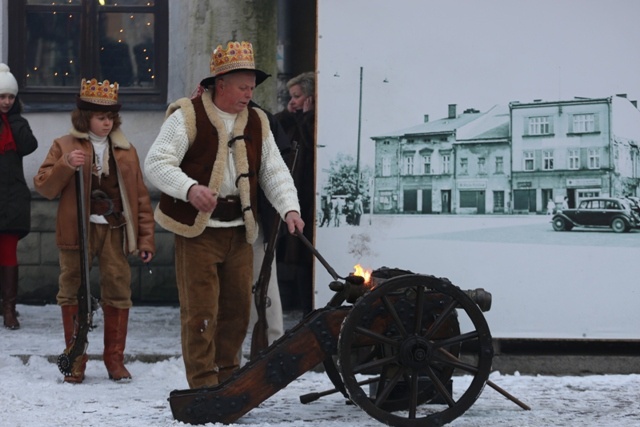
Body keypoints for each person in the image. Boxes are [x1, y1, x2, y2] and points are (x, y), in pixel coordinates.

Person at [144, 40, 304, 389]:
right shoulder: (187, 115)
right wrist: (189, 189)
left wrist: (289, 208)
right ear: (221, 85)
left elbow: (274, 171)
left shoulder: (258, 121)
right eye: (243, 87)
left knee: (237, 314)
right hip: (198, 233)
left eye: (252, 87)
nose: (249, 93)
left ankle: (229, 381)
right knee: (200, 313)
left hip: (240, 231)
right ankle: (202, 385)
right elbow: (156, 163)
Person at [34, 78, 155, 383]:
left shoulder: (126, 150)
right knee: (71, 289)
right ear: (85, 117)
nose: (107, 122)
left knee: (118, 289)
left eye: (111, 117)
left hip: (115, 230)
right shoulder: (64, 145)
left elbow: (140, 196)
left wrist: (145, 238)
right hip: (78, 231)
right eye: (101, 117)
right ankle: (76, 359)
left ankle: (114, 359)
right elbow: (45, 186)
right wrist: (65, 165)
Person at [0, 63, 38, 330]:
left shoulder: (18, 123)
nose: (6, 101)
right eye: (2, 97)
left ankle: (9, 308)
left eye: (10, 97)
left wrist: (13, 119)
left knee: (9, 253)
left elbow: (29, 145)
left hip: (11, 198)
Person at [274, 71, 315, 314]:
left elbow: (312, 144)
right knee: (292, 253)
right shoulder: (295, 119)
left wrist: (308, 116)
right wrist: (291, 113)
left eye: (298, 96)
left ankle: (306, 305)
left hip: (308, 196)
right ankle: (295, 303)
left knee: (303, 255)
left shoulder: (312, 120)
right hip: (294, 195)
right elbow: (276, 131)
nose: (294, 101)